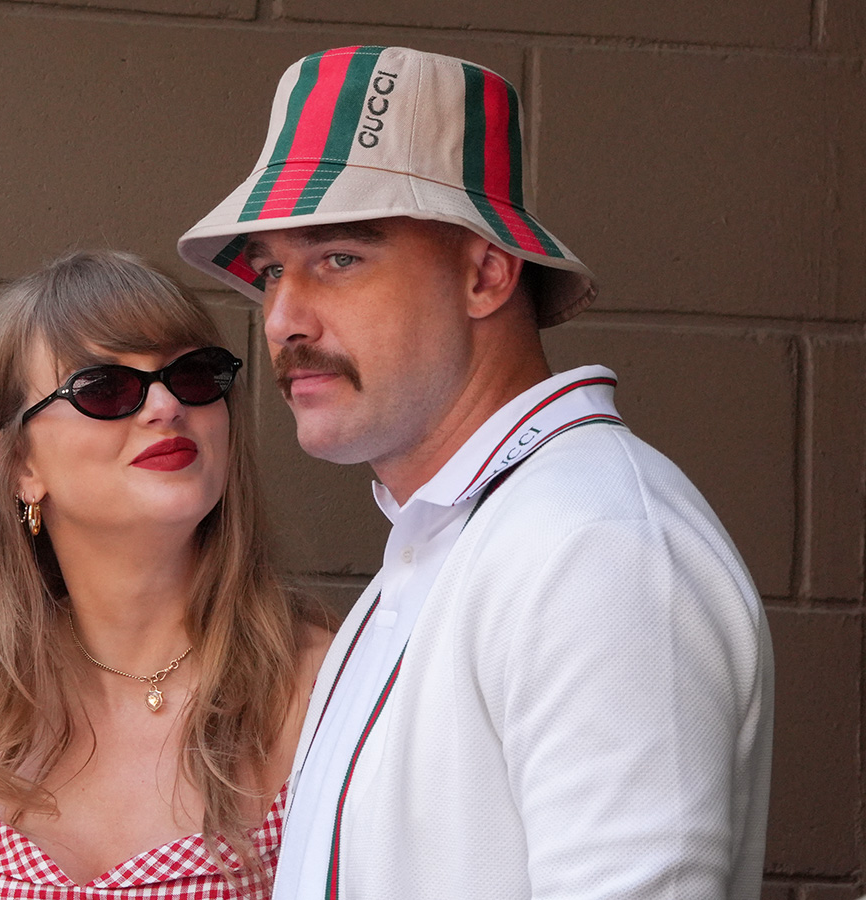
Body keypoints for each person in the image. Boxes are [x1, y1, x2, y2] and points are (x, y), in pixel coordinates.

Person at [178, 45, 773, 900]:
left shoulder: (595, 547)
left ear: (486, 272)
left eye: (338, 258)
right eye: (271, 270)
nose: (281, 318)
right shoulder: (455, 539)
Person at [0, 251, 330, 899]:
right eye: (105, 388)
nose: (167, 405)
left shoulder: (324, 688)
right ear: (18, 467)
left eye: (195, 375)